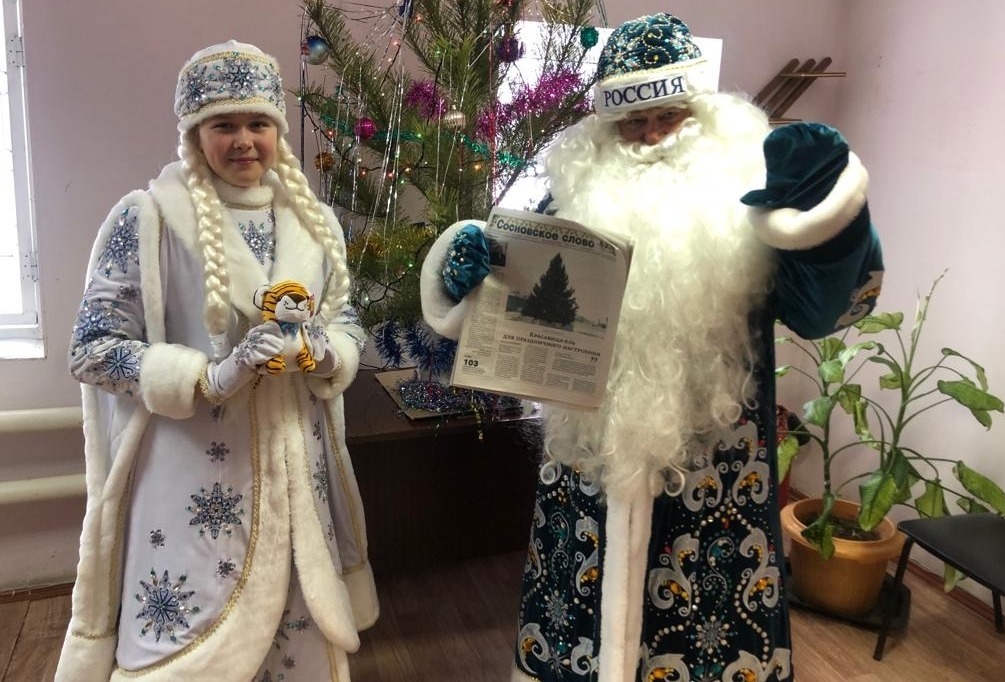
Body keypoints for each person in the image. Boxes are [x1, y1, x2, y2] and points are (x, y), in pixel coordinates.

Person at [420, 13, 883, 682]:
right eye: (632, 121)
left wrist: (826, 220)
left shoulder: (753, 200)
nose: (653, 134)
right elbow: (505, 303)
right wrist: (463, 277)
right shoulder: (568, 197)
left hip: (716, 473)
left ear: (703, 112)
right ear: (604, 129)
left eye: (669, 115)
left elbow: (826, 312)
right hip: (589, 464)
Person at [56, 41, 377, 681]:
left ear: (277, 130)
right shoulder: (146, 218)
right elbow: (91, 348)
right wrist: (205, 377)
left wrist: (319, 352)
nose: (244, 141)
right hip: (189, 477)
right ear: (194, 133)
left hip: (298, 472)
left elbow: (345, 322)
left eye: (258, 123)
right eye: (223, 124)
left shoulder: (315, 221)